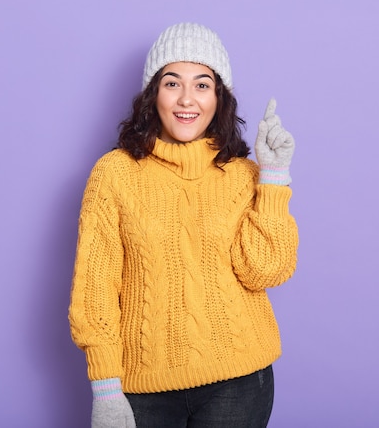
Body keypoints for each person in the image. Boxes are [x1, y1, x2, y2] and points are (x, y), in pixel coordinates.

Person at [69, 22, 299, 427]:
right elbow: (95, 292)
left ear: (219, 97)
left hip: (239, 382)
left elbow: (266, 269)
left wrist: (274, 175)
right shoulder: (114, 174)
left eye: (202, 85)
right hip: (143, 388)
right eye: (172, 83)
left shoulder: (243, 174)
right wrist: (105, 389)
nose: (187, 99)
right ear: (153, 94)